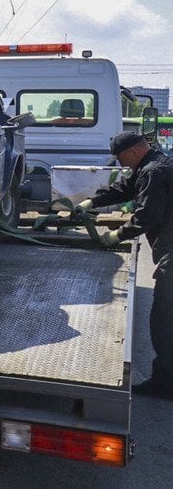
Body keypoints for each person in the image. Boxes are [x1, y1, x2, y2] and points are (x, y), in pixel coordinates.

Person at [77, 130, 173, 399]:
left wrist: (117, 235)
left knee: (164, 319)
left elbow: (147, 217)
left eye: (120, 159)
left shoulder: (154, 172)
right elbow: (127, 189)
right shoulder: (155, 164)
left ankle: (166, 385)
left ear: (133, 151)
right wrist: (92, 202)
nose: (120, 164)